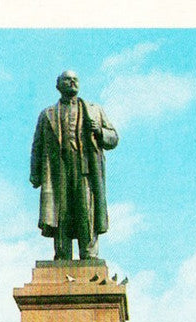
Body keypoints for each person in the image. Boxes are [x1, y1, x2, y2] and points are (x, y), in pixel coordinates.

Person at [30, 70, 120, 261]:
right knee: (61, 212)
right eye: (67, 79)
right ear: (58, 85)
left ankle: (88, 253)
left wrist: (101, 132)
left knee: (85, 210)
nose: (72, 82)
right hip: (58, 171)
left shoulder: (94, 109)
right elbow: (37, 145)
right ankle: (62, 254)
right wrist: (35, 173)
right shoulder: (47, 114)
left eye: (75, 79)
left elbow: (113, 138)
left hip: (85, 169)